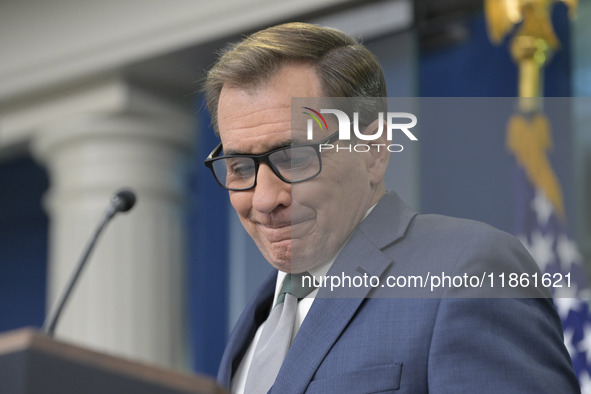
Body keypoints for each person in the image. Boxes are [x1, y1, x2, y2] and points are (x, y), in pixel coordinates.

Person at [202, 22, 579, 393]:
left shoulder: (468, 272)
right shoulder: (257, 319)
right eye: (239, 167)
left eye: (294, 157)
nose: (266, 199)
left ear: (373, 151)